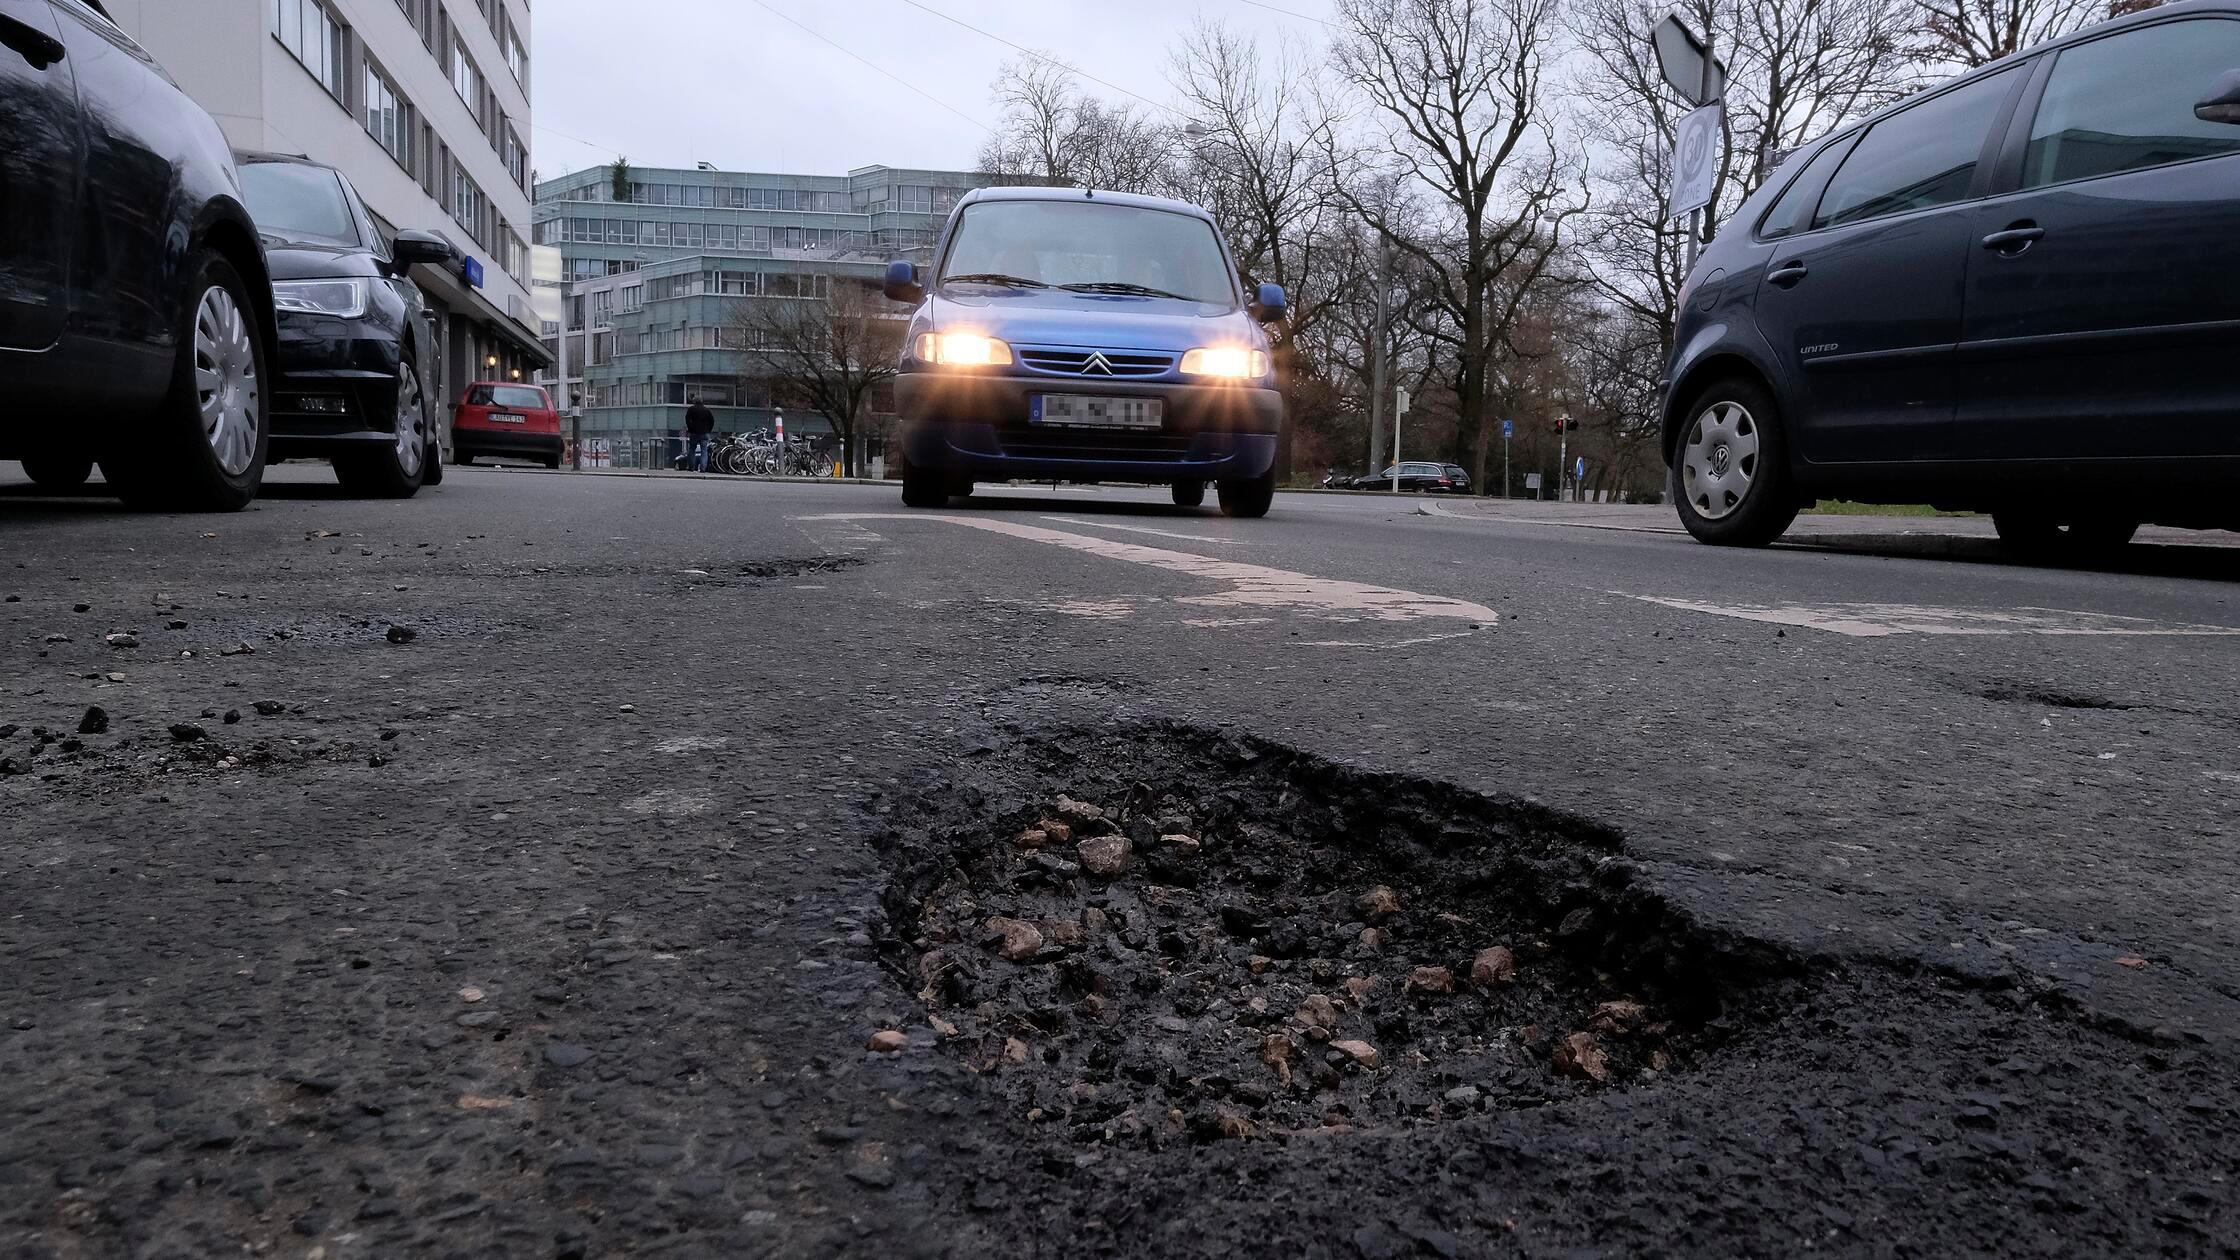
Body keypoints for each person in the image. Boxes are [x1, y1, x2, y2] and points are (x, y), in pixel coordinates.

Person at [684, 396, 715, 472]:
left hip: (694, 432)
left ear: (694, 401)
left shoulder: (691, 409)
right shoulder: (707, 410)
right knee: (704, 451)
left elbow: (687, 419)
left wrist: (690, 428)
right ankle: (703, 468)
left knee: (692, 449)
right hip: (704, 433)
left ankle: (691, 467)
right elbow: (712, 421)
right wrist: (709, 429)